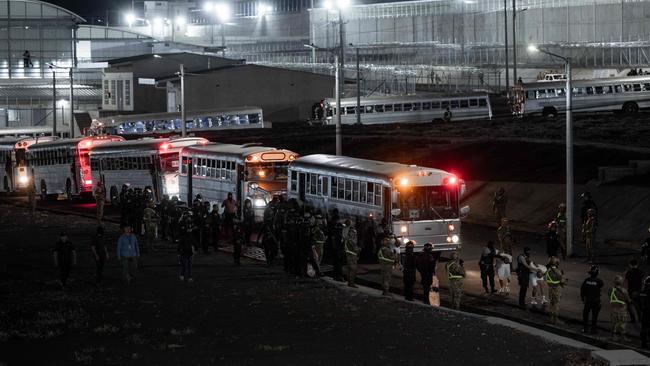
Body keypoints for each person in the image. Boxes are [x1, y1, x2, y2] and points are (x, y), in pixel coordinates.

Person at [581, 265, 603, 334]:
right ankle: (593, 329)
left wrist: (582, 298)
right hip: (596, 301)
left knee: (585, 315)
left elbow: (582, 290)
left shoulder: (586, 280)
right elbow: (601, 285)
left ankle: (585, 328)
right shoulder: (599, 281)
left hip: (587, 300)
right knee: (594, 315)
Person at [544, 256, 566, 325]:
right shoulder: (557, 271)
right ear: (556, 263)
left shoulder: (548, 270)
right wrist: (564, 279)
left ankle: (550, 319)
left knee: (551, 303)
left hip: (550, 288)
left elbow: (546, 278)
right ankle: (556, 320)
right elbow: (562, 282)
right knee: (556, 304)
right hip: (556, 289)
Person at [610, 275, 631, 342]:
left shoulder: (611, 289)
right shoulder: (624, 290)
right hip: (622, 309)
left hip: (614, 309)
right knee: (622, 324)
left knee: (614, 324)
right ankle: (623, 338)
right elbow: (628, 300)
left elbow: (610, 297)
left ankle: (614, 337)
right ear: (621, 282)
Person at [625, 259, 645, 325]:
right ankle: (640, 319)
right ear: (637, 264)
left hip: (631, 291)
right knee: (639, 306)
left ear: (630, 265)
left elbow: (625, 280)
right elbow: (643, 281)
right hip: (638, 291)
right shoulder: (641, 272)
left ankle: (633, 319)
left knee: (629, 306)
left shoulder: (629, 272)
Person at [343, 220, 360, 287]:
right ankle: (351, 283)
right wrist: (359, 249)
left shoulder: (348, 239)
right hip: (352, 256)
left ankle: (349, 282)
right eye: (354, 233)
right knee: (353, 270)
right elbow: (355, 249)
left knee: (349, 270)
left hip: (349, 255)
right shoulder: (350, 241)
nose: (355, 235)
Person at [640, 277, 650, 349]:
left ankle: (644, 344)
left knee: (644, 328)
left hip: (646, 312)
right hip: (647, 311)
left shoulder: (644, 291)